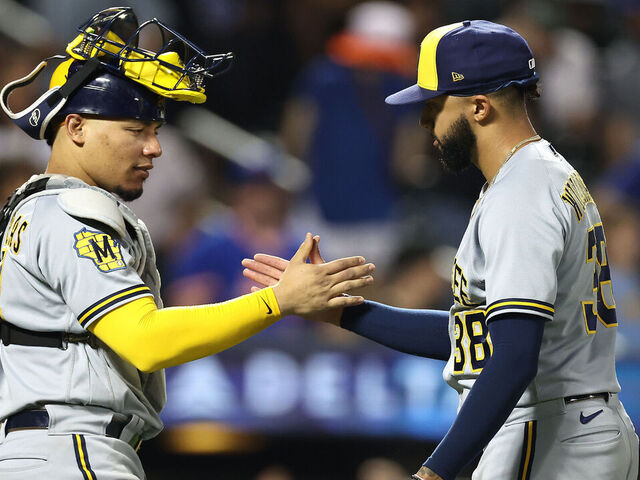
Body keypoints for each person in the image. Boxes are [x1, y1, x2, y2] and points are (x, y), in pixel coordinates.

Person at [243, 20, 640, 480]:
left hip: (550, 429)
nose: (423, 119)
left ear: (478, 106)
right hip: (575, 424)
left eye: (434, 105)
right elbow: (476, 338)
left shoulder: (522, 192)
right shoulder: (534, 176)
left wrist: (432, 473)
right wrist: (341, 311)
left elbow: (513, 358)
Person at [0, 7, 374, 479]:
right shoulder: (70, 217)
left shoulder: (40, 210)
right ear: (75, 128)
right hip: (71, 450)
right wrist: (278, 301)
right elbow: (145, 339)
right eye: (136, 131)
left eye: (154, 132)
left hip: (52, 446)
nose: (153, 147)